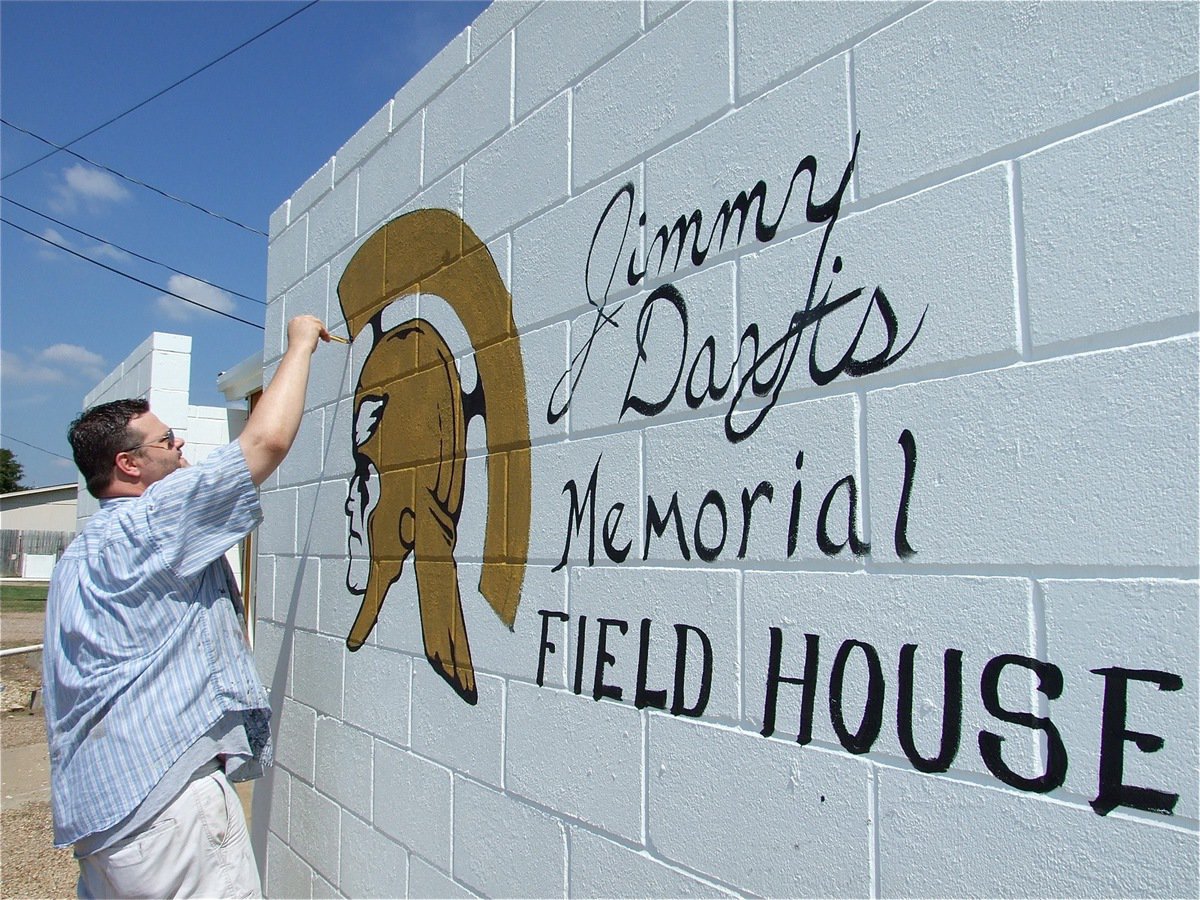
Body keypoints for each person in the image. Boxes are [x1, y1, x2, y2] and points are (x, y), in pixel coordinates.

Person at [43, 315, 333, 899]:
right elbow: (264, 443)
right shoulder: (150, 525)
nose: (181, 446)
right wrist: (300, 343)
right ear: (128, 464)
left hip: (107, 818)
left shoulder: (83, 553)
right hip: (165, 808)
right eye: (166, 440)